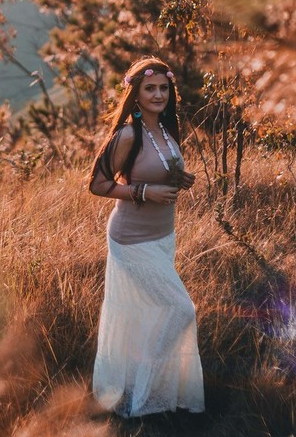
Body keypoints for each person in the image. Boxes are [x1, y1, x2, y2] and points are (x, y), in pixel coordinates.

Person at [88, 56, 205, 418]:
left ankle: (151, 388)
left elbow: (160, 174)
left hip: (162, 238)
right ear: (135, 95)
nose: (158, 95)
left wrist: (178, 181)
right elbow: (98, 184)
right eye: (150, 88)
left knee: (154, 313)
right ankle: (144, 385)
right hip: (131, 240)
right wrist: (143, 192)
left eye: (163, 88)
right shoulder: (128, 135)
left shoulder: (168, 132)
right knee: (181, 309)